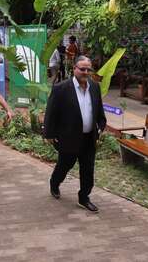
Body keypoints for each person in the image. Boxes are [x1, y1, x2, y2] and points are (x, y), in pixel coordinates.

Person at [43, 56, 106, 212]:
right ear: (74, 69)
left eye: (88, 69)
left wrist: (101, 125)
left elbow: (98, 109)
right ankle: (54, 182)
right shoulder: (61, 88)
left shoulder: (94, 87)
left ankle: (84, 197)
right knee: (64, 165)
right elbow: (51, 112)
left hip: (89, 138)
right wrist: (49, 134)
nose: (85, 72)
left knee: (88, 169)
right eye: (82, 69)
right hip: (69, 136)